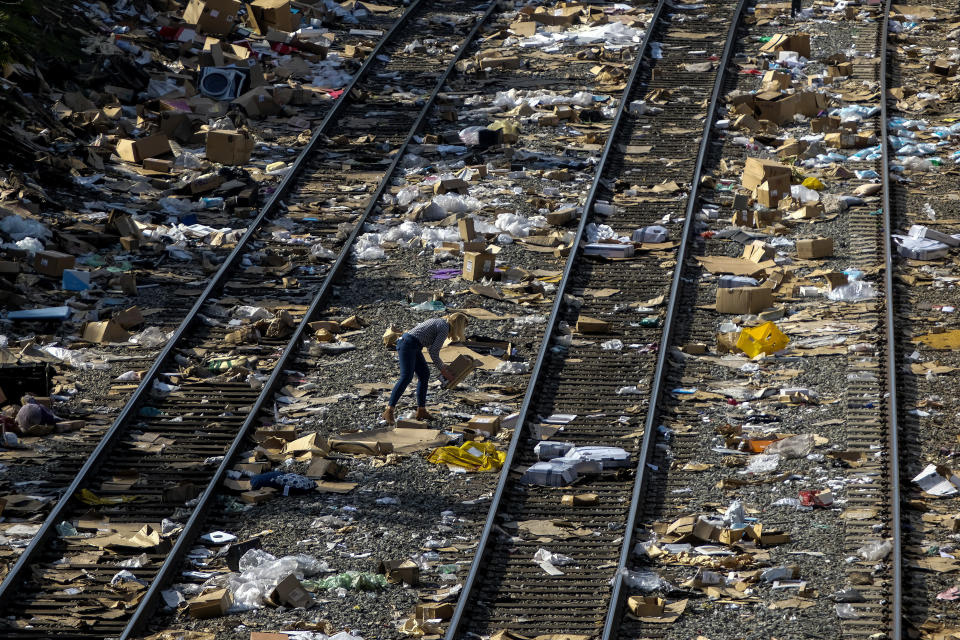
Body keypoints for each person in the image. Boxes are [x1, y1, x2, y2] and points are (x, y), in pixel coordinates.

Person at [382, 313, 468, 425]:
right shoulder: (444, 328)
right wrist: (443, 370)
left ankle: (421, 410)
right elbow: (433, 352)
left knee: (424, 374)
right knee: (406, 377)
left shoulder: (441, 323)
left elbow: (429, 343)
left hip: (413, 344)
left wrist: (442, 367)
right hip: (407, 344)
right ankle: (389, 410)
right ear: (459, 325)